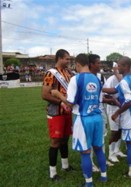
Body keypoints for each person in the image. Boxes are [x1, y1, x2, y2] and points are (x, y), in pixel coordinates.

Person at [51, 53, 107, 187]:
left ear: (77, 64)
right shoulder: (97, 79)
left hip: (83, 119)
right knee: (98, 148)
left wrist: (58, 94)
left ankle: (88, 183)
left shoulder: (76, 79)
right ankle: (104, 176)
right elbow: (99, 100)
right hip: (97, 117)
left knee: (85, 151)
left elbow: (70, 103)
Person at [102, 56, 131, 178]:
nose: (117, 68)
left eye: (119, 65)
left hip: (130, 116)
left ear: (126, 66)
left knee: (130, 143)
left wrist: (116, 113)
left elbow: (128, 102)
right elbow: (113, 90)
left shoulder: (125, 81)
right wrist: (100, 88)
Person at [41, 49, 74, 181]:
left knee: (65, 138)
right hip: (56, 113)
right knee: (55, 141)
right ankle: (53, 173)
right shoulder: (50, 73)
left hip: (67, 112)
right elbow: (45, 94)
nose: (68, 61)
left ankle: (65, 166)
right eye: (67, 59)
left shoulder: (68, 73)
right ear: (59, 58)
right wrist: (61, 103)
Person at [103, 63, 126, 163]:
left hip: (122, 107)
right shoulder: (111, 79)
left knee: (120, 130)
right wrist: (115, 101)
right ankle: (111, 153)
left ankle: (117, 150)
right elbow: (106, 95)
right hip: (113, 108)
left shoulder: (125, 79)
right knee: (114, 131)